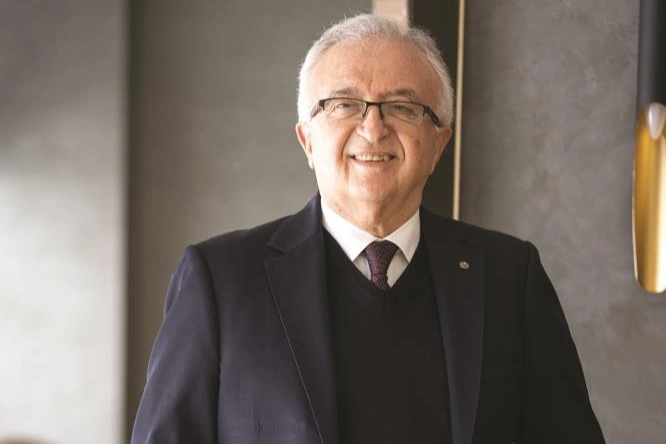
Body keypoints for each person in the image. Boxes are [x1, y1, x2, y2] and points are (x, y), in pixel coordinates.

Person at [131, 13, 605, 444]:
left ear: (438, 145)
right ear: (307, 140)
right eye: (344, 104)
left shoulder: (510, 277)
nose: (373, 128)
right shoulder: (221, 280)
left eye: (402, 107)